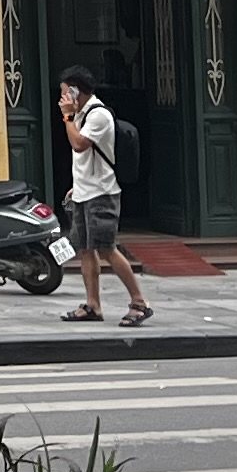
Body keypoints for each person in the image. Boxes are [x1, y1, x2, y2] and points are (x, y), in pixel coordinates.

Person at [53, 67, 154, 327]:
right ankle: (93, 304)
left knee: (107, 248)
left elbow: (78, 144)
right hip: (85, 191)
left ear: (77, 91)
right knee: (87, 249)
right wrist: (77, 186)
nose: (62, 97)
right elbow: (84, 158)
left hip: (102, 194)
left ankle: (139, 302)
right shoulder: (82, 114)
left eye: (66, 92)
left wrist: (66, 118)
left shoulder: (98, 115)